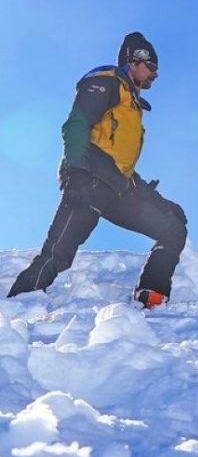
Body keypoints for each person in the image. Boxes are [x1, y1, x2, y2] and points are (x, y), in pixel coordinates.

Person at [7, 32, 187, 309]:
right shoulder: (107, 81)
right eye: (152, 66)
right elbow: (77, 123)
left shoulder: (131, 102)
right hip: (89, 179)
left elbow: (120, 163)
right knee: (59, 254)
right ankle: (13, 311)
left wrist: (155, 200)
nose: (155, 74)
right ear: (135, 59)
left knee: (172, 227)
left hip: (116, 187)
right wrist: (76, 172)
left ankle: (150, 295)